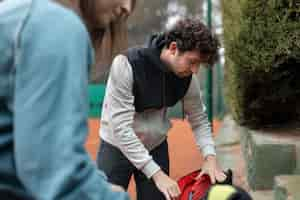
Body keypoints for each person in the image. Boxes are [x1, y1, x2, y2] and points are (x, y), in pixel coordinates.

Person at [0, 0, 135, 199]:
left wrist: (97, 184)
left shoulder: (17, 11)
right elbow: (51, 168)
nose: (127, 8)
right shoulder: (56, 26)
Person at [97, 17, 226, 200]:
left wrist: (210, 158)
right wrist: (156, 174)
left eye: (199, 65)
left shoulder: (187, 78)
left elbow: (199, 119)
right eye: (192, 62)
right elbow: (120, 129)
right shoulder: (126, 64)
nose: (196, 70)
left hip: (154, 145)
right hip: (116, 145)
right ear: (173, 48)